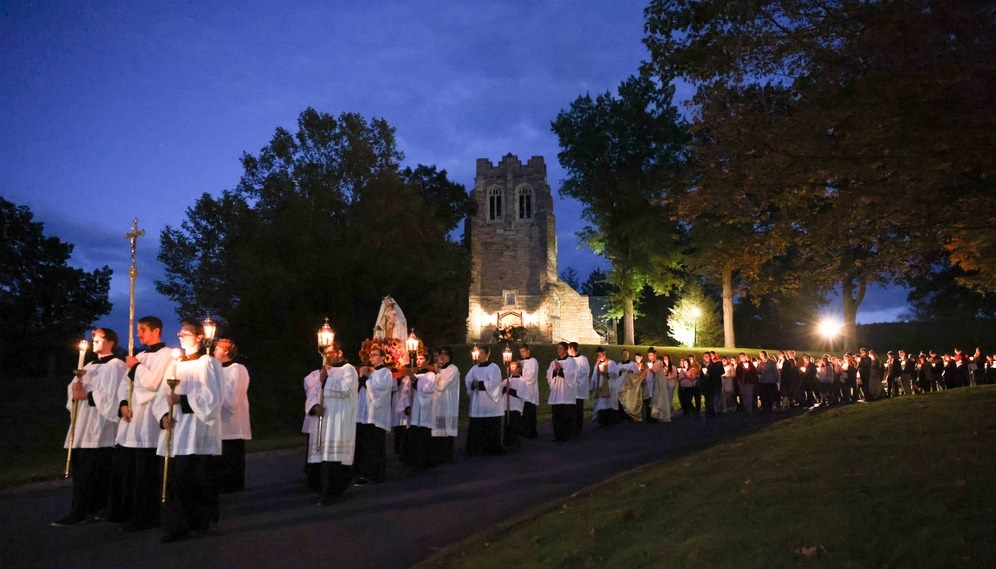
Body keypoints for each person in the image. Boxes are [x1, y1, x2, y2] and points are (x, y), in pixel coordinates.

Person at [153, 320, 223, 543]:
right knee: (176, 478)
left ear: (200, 337)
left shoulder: (208, 363)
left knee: (195, 478)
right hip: (175, 428)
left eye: (186, 333)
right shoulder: (174, 364)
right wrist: (163, 416)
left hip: (195, 431)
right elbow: (161, 396)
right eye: (180, 332)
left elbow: (213, 399)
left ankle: (197, 520)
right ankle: (178, 523)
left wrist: (182, 399)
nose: (181, 336)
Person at [53, 328, 127, 527]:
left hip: (101, 427)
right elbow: (73, 393)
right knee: (83, 471)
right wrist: (75, 391)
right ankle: (85, 508)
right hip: (83, 425)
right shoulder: (87, 365)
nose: (94, 341)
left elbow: (114, 397)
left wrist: (86, 395)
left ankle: (90, 509)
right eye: (93, 338)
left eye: (99, 338)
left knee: (97, 471)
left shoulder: (116, 365)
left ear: (111, 341)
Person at [110, 317, 171, 532]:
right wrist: (123, 403)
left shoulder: (168, 355)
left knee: (145, 474)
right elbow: (126, 383)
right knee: (129, 472)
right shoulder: (139, 356)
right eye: (138, 330)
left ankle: (147, 516)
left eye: (143, 330)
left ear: (157, 330)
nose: (139, 334)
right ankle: (128, 511)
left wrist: (136, 367)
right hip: (131, 419)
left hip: (149, 419)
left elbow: (154, 383)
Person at [306, 342, 357, 505]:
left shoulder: (348, 369)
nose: (326, 356)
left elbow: (345, 389)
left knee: (334, 457)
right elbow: (313, 390)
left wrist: (326, 380)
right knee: (324, 457)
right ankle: (323, 491)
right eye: (325, 354)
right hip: (325, 418)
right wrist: (314, 406)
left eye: (329, 353)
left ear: (339, 353)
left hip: (339, 418)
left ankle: (334, 491)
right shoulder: (324, 371)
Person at [213, 338, 251, 493]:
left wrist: (213, 393)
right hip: (217, 422)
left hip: (232, 422)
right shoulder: (216, 369)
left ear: (227, 351)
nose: (214, 351)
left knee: (231, 457)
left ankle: (233, 488)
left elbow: (231, 398)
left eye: (217, 348)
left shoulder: (237, 369)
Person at [353, 347, 393, 485]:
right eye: (371, 355)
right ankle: (362, 472)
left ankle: (374, 474)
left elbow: (379, 390)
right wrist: (362, 378)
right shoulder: (370, 373)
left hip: (376, 416)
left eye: (375, 355)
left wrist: (364, 378)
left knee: (374, 446)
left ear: (383, 357)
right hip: (363, 415)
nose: (372, 357)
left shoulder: (385, 373)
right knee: (363, 445)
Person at [465, 345, 505, 455]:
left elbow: (495, 384)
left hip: (489, 402)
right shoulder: (474, 368)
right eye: (478, 353)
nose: (479, 355)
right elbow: (468, 380)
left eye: (482, 353)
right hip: (477, 401)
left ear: (488, 354)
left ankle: (491, 449)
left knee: (490, 427)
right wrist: (472, 384)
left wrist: (480, 384)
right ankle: (476, 449)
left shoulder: (494, 367)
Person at [401, 352, 436, 469]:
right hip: (413, 409)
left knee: (423, 435)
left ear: (427, 360)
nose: (419, 360)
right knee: (413, 435)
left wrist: (415, 380)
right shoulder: (414, 373)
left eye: (422, 358)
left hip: (424, 410)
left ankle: (423, 462)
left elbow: (427, 391)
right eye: (418, 358)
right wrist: (406, 406)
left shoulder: (431, 375)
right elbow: (405, 391)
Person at [430, 346, 460, 465]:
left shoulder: (453, 369)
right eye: (440, 354)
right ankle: (437, 455)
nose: (441, 356)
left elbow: (441, 385)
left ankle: (446, 457)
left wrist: (437, 374)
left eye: (444, 354)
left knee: (446, 430)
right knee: (437, 430)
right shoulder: (437, 369)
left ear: (449, 356)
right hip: (437, 402)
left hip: (447, 402)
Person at [546, 342, 578, 441]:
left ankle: (568, 435)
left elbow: (571, 375)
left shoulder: (571, 361)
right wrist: (555, 371)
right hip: (556, 392)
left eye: (560, 348)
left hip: (566, 393)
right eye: (558, 349)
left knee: (566, 415)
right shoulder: (554, 362)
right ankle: (558, 435)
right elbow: (549, 375)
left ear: (565, 349)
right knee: (556, 415)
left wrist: (559, 370)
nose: (558, 351)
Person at [590, 347, 619, 426]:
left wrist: (605, 373)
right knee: (600, 404)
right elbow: (594, 377)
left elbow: (615, 374)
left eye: (600, 355)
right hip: (599, 387)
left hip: (609, 387)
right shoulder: (597, 365)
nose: (599, 356)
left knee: (609, 404)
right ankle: (601, 421)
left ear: (604, 355)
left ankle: (610, 421)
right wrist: (591, 387)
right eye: (598, 355)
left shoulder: (611, 363)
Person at [517, 344, 540, 439]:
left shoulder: (533, 361)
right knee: (523, 413)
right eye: (520, 352)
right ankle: (523, 431)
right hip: (522, 392)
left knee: (530, 413)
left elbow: (531, 376)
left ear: (528, 351)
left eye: (523, 351)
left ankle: (531, 433)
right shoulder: (521, 362)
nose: (522, 354)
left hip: (530, 392)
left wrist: (521, 370)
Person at [568, 342, 590, 436]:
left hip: (579, 389)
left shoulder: (583, 359)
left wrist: (574, 375)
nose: (567, 351)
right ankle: (571, 427)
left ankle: (578, 428)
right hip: (569, 389)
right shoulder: (568, 359)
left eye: (568, 349)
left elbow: (585, 371)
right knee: (570, 410)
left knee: (578, 409)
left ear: (572, 349)